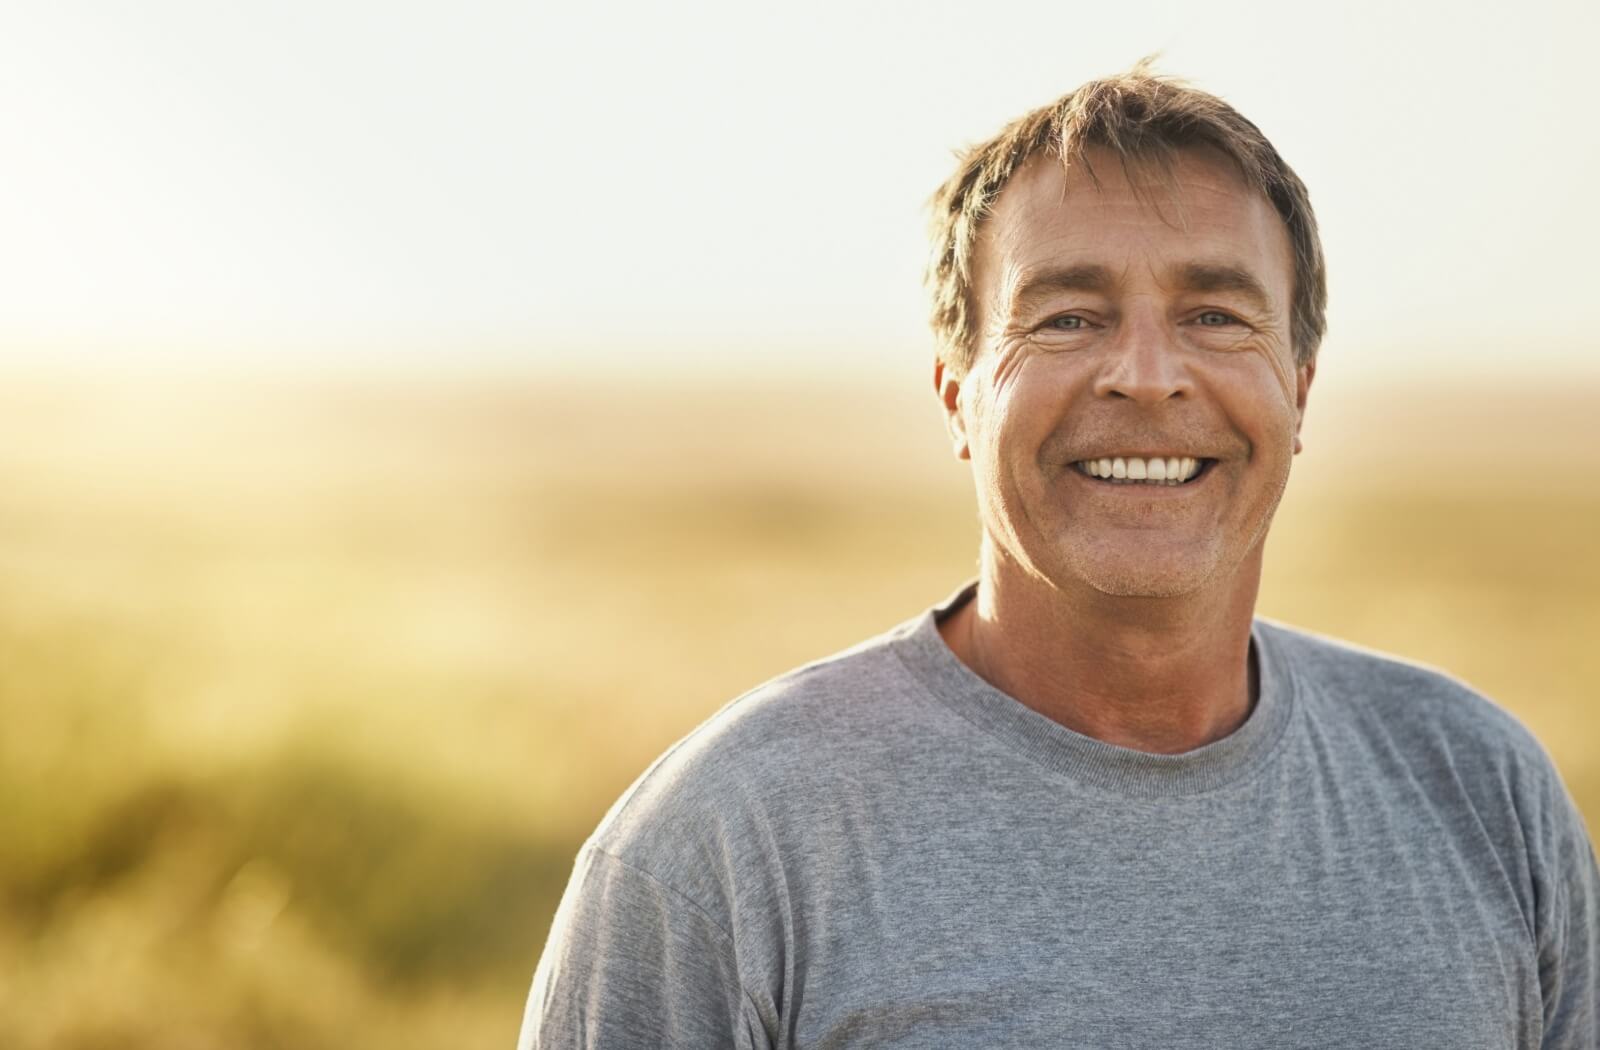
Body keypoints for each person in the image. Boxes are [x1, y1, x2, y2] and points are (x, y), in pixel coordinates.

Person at [519, 65, 1599, 1048]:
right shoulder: (727, 848)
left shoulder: (1476, 788)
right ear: (957, 390)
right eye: (1067, 317)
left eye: (1216, 316)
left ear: (1299, 388)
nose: (1145, 375)